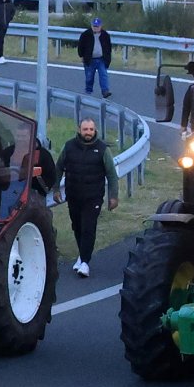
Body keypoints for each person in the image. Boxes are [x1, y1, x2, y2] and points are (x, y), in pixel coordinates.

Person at [57, 117, 120, 278]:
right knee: (77, 227)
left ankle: (85, 262)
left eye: (91, 129)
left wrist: (114, 196)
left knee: (88, 228)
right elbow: (58, 168)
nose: (88, 133)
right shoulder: (69, 147)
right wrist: (56, 188)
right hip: (73, 194)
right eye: (85, 129)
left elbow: (112, 174)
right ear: (79, 130)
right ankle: (82, 254)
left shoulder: (102, 149)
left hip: (93, 197)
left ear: (95, 130)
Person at [76, 15, 113, 96]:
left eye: (97, 26)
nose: (95, 27)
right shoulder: (85, 34)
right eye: (94, 26)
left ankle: (105, 91)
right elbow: (80, 46)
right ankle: (88, 91)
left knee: (103, 75)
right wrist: (81, 56)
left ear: (101, 26)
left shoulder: (105, 35)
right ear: (91, 25)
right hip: (90, 59)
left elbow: (108, 48)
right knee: (89, 77)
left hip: (101, 59)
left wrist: (108, 59)